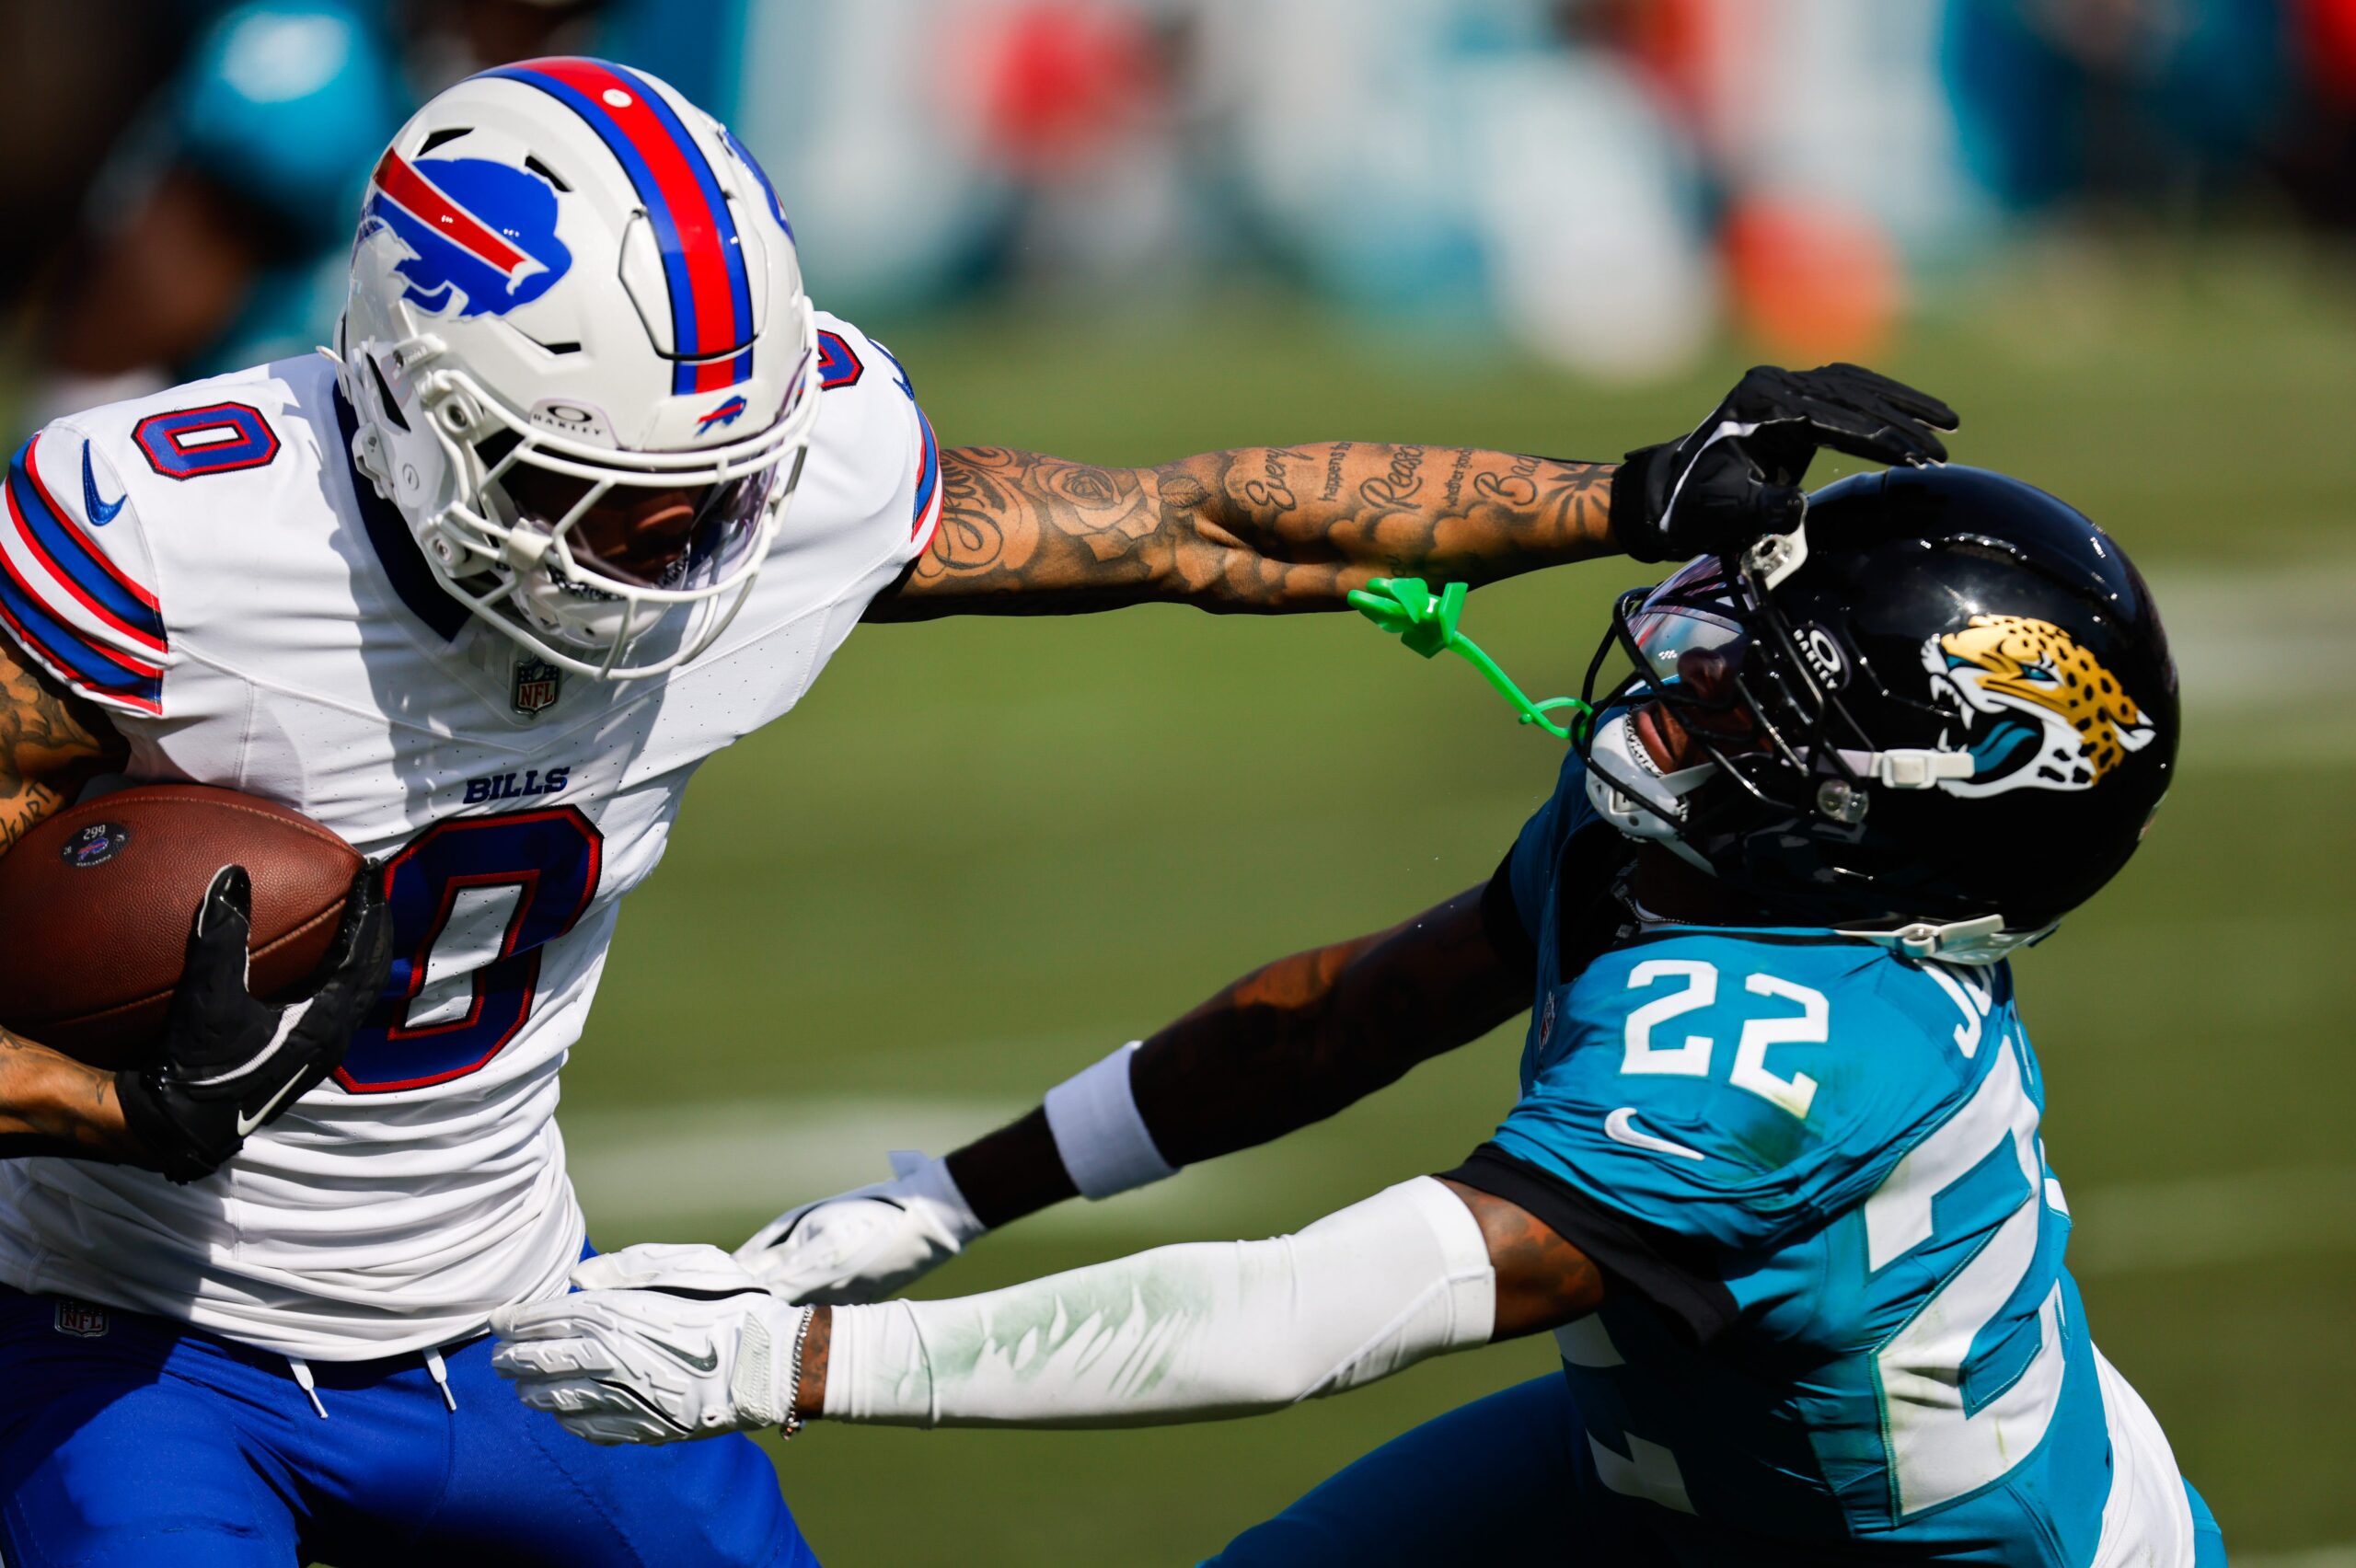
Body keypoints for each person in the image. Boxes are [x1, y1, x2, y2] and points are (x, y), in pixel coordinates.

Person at [0, 53, 1952, 1568]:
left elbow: (1187, 519)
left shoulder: (786, 483)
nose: (680, 555)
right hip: (129, 1352)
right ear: (415, 410)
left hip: (518, 1316)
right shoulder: (170, 542)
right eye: (605, 496)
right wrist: (114, 1103)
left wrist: (1612, 496)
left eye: (721, 489)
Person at [491, 462, 2226, 1566]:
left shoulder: (1802, 1044)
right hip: (1681, 1470)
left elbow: (1318, 1311)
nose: (1678, 678)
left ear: (1913, 798)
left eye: (1752, 691)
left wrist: (789, 1362)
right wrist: (934, 1201)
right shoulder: (1698, 857)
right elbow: (1347, 1014)